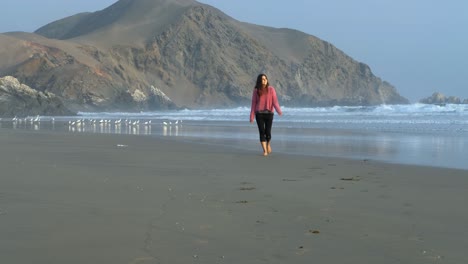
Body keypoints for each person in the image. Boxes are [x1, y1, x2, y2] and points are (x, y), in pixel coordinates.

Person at [250, 73, 282, 156]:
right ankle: (264, 151)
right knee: (261, 132)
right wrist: (252, 116)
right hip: (259, 114)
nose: (263, 81)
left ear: (267, 80)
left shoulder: (271, 89)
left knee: (268, 132)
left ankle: (268, 144)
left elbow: (275, 101)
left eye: (265, 79)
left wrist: (279, 111)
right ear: (259, 81)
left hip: (269, 114)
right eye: (262, 80)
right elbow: (253, 103)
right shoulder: (256, 91)